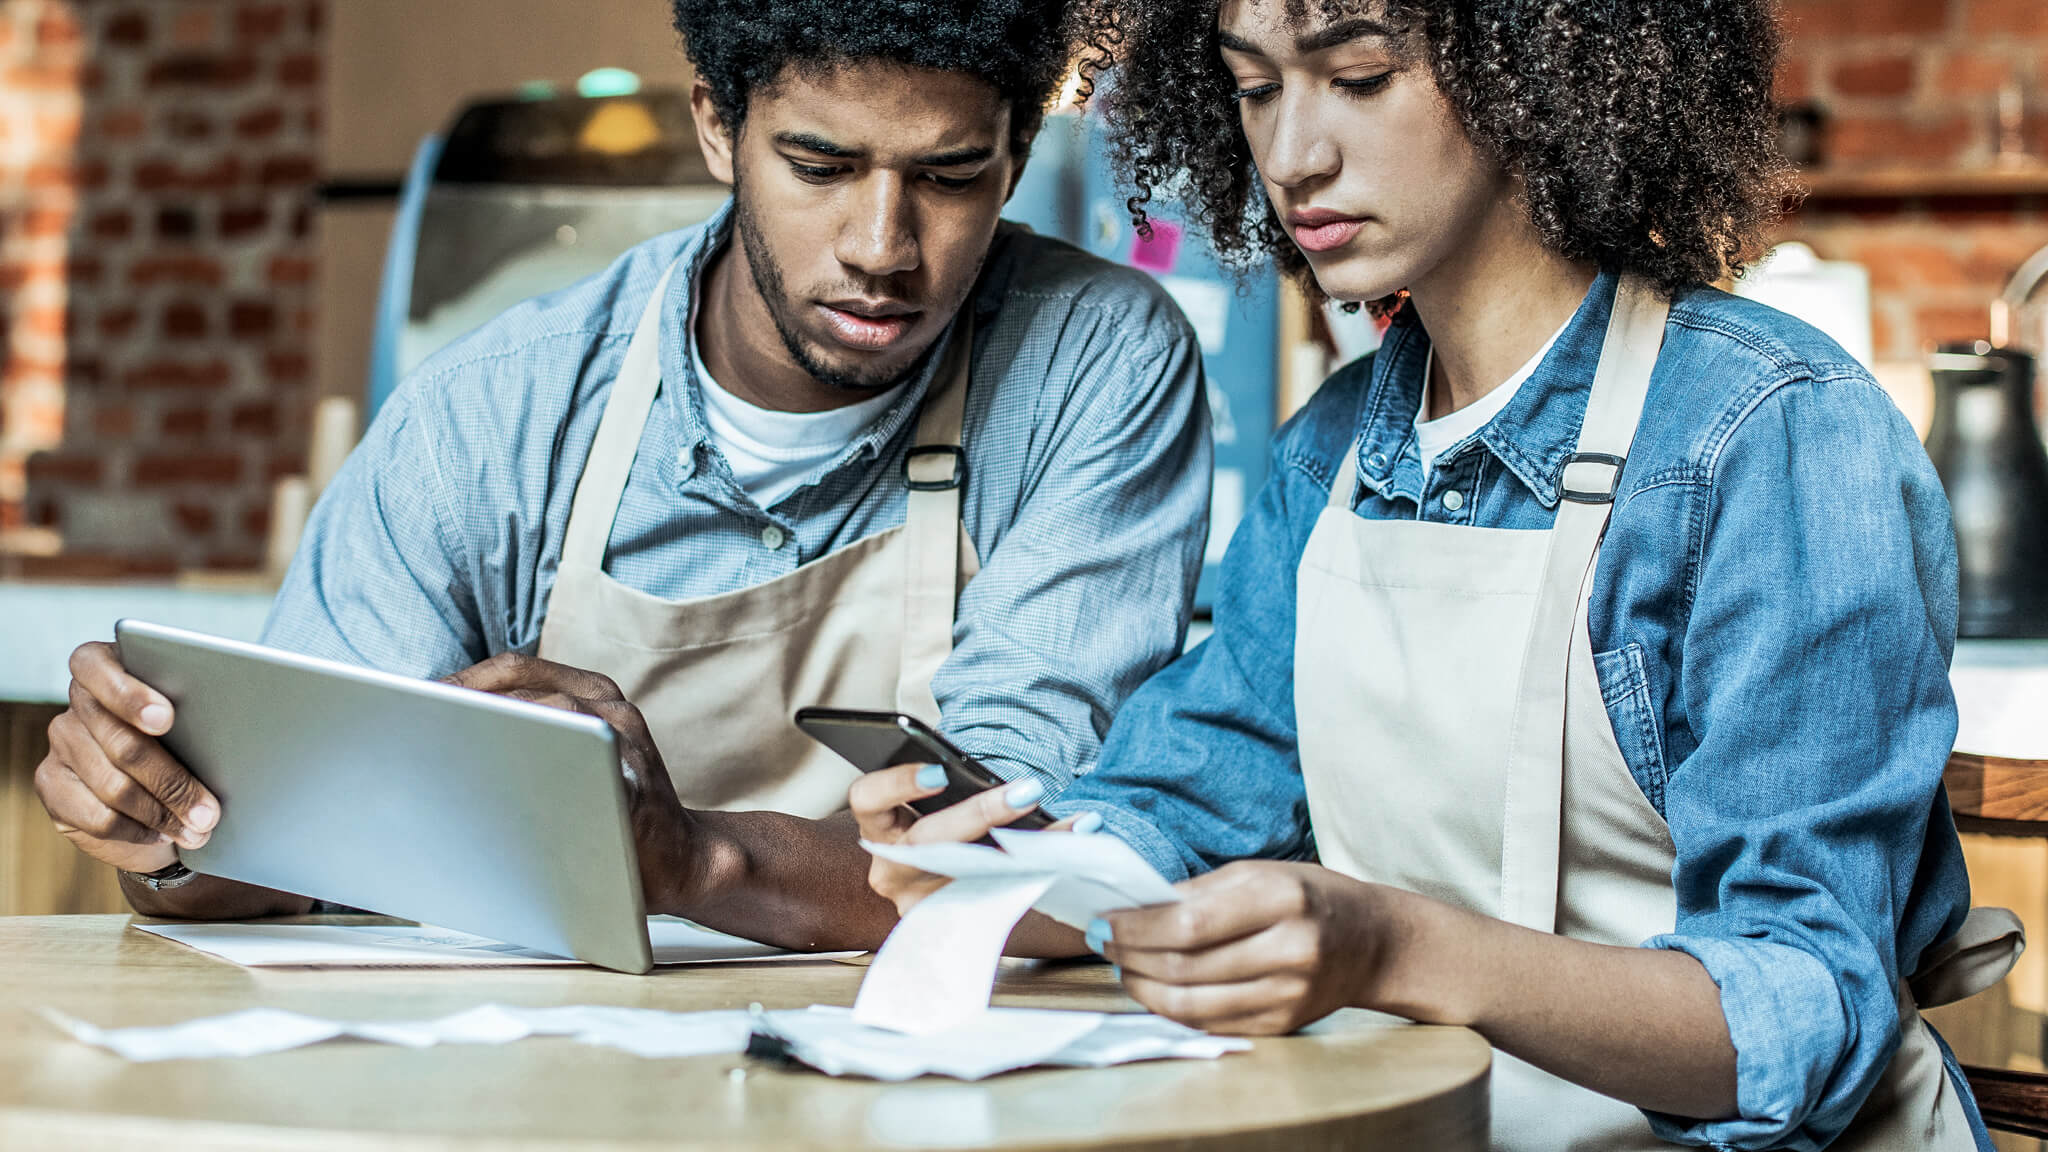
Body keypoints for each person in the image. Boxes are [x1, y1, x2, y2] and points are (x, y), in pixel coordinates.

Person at [852, 0, 2019, 1147]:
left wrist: (1389, 949)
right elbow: (1185, 809)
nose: (1291, 155)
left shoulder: (1768, 432)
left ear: (1541, 63)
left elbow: (1801, 1017)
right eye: (1253, 88)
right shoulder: (1338, 449)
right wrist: (1013, 873)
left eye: (1357, 77)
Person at [35, 0, 1213, 951]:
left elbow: (1013, 852)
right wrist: (162, 825)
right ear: (717, 125)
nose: (879, 247)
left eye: (949, 177)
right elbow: (294, 839)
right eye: (818, 165)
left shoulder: (1090, 362)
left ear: (1014, 152)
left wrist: (687, 856)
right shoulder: (496, 408)